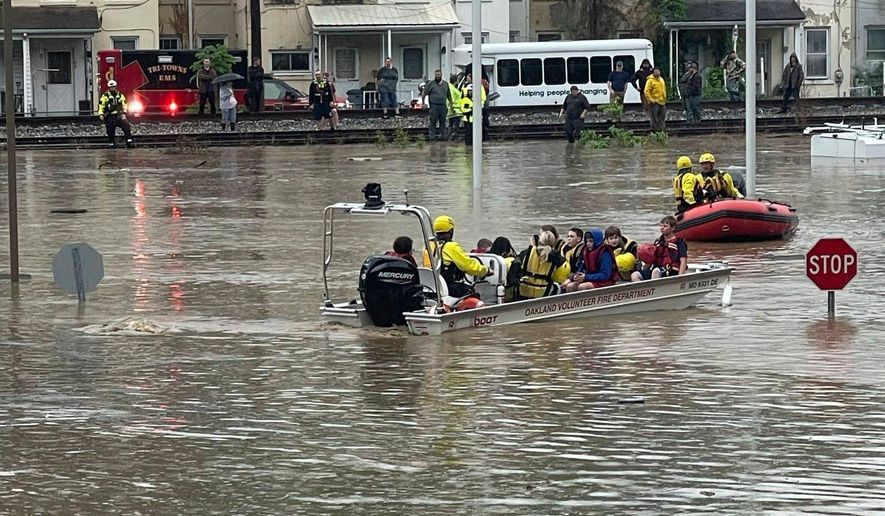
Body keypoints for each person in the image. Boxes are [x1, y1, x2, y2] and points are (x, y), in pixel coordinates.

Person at [422, 215, 490, 297]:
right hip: (447, 287)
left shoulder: (428, 245)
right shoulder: (451, 246)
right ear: (451, 230)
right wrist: (486, 271)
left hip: (431, 287)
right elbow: (469, 266)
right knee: (473, 293)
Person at [516, 230, 570, 300]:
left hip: (523, 292)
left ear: (539, 241)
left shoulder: (526, 253)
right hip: (544, 293)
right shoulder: (557, 257)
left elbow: (515, 268)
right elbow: (560, 276)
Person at [563, 227, 620, 292]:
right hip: (589, 278)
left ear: (597, 241)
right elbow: (580, 269)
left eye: (591, 241)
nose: (588, 244)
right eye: (587, 241)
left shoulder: (605, 252)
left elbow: (605, 275)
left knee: (582, 287)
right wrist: (570, 279)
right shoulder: (585, 250)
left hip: (605, 281)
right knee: (570, 286)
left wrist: (586, 277)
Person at [631, 216, 688, 281]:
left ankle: (655, 286)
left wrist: (680, 277)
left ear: (672, 228)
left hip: (671, 271)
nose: (662, 228)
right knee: (635, 275)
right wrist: (644, 269)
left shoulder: (679, 242)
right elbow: (651, 259)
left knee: (656, 271)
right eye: (661, 226)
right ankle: (645, 287)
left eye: (665, 226)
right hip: (657, 269)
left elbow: (683, 260)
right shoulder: (658, 242)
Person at [97, 80, 133, 148]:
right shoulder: (105, 96)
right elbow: (101, 106)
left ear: (116, 87)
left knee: (126, 126)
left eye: (113, 87)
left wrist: (124, 112)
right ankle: (111, 144)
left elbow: (124, 103)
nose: (112, 88)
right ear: (109, 88)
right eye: (111, 87)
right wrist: (101, 114)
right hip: (110, 115)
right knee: (110, 130)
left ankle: (129, 141)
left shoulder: (120, 95)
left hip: (119, 115)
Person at [422, 69, 451, 141]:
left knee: (443, 122)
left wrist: (451, 103)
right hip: (434, 106)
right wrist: (423, 103)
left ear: (441, 75)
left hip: (443, 106)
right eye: (436, 75)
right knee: (433, 122)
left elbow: (449, 95)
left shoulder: (445, 84)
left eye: (438, 74)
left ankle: (442, 137)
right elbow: (424, 93)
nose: (437, 76)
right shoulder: (431, 84)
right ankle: (432, 137)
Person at [446, 74, 462, 139]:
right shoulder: (452, 88)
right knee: (455, 124)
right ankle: (453, 137)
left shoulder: (451, 87)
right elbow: (451, 98)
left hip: (453, 109)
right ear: (456, 81)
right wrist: (453, 108)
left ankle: (450, 136)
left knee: (451, 124)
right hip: (455, 110)